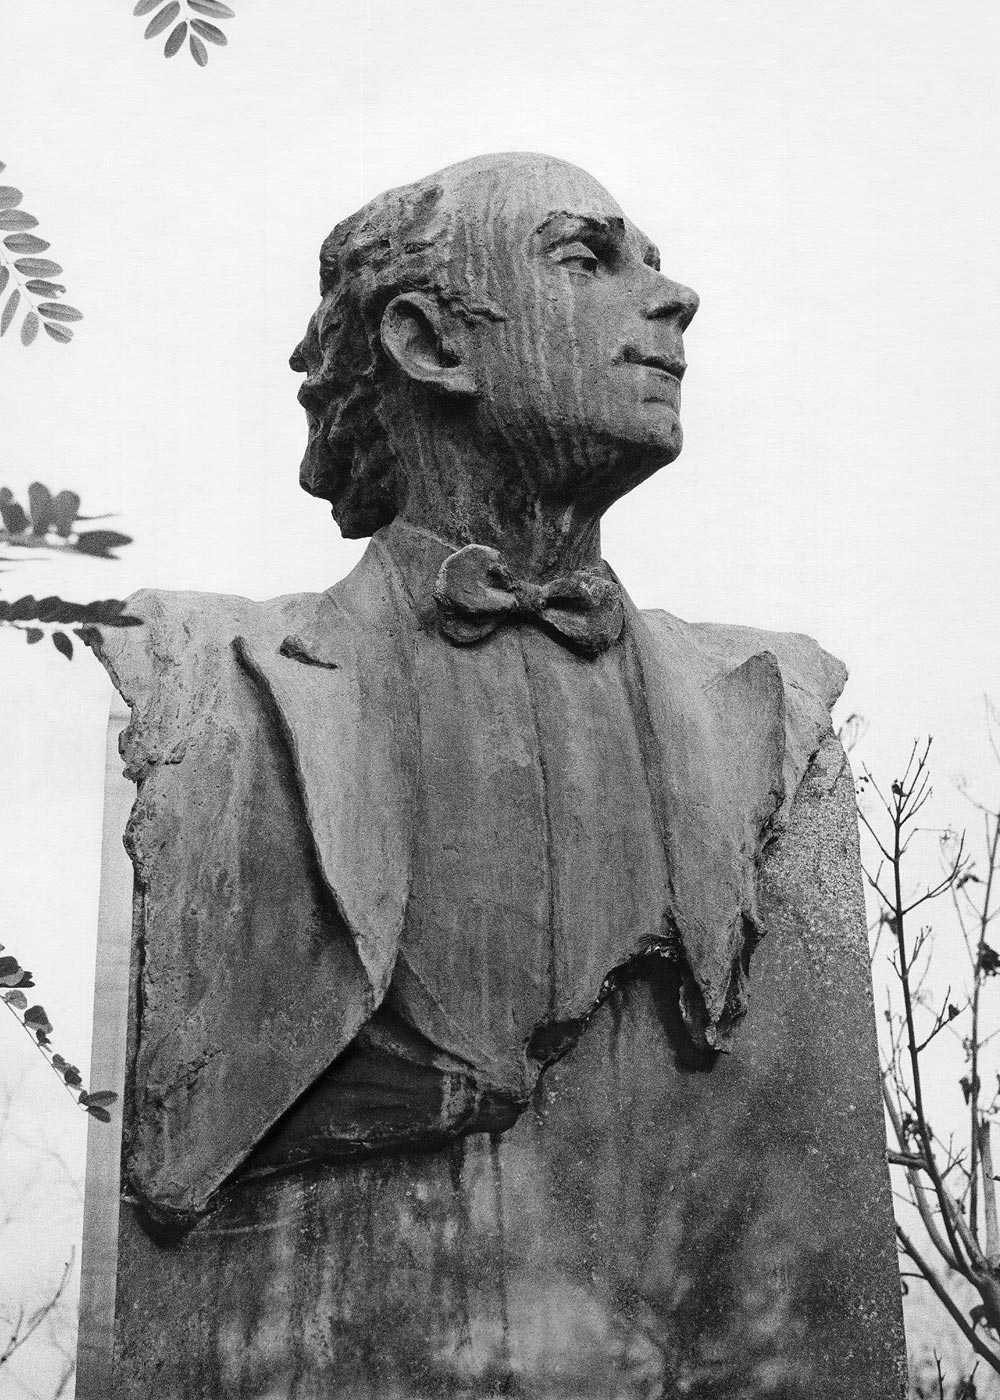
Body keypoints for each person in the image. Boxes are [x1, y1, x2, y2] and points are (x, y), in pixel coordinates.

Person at [91, 153, 843, 1227]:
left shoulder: (766, 695)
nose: (674, 297)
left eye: (655, 264)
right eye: (587, 258)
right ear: (428, 343)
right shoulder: (204, 675)